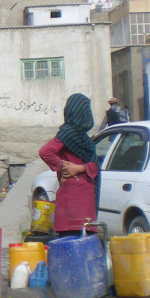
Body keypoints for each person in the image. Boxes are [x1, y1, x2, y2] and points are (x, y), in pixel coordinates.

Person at [39, 93, 100, 236]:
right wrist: (63, 165)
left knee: (83, 238)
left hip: (85, 197)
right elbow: (45, 152)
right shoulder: (67, 133)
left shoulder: (84, 139)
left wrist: (80, 168)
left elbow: (95, 166)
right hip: (73, 196)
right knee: (71, 239)